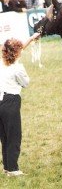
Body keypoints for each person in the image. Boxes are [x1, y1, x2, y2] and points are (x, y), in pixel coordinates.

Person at [0, 32, 40, 177]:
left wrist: (30, 38)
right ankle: (13, 169)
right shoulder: (18, 68)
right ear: (16, 53)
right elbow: (26, 83)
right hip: (11, 102)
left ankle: (7, 167)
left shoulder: (1, 61)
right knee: (14, 136)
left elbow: (20, 48)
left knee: (4, 137)